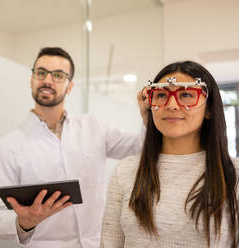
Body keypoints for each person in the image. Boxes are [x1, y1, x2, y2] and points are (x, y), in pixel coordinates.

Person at [0, 47, 148, 247]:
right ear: (31, 80)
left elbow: (139, 148)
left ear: (70, 86)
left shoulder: (94, 127)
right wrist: (23, 221)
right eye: (41, 73)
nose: (47, 80)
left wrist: (147, 119)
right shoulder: (8, 146)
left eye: (58, 75)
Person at [101, 61, 239, 248]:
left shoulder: (234, 175)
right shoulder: (125, 171)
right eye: (161, 95)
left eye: (186, 95)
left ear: (208, 109)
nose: (172, 104)